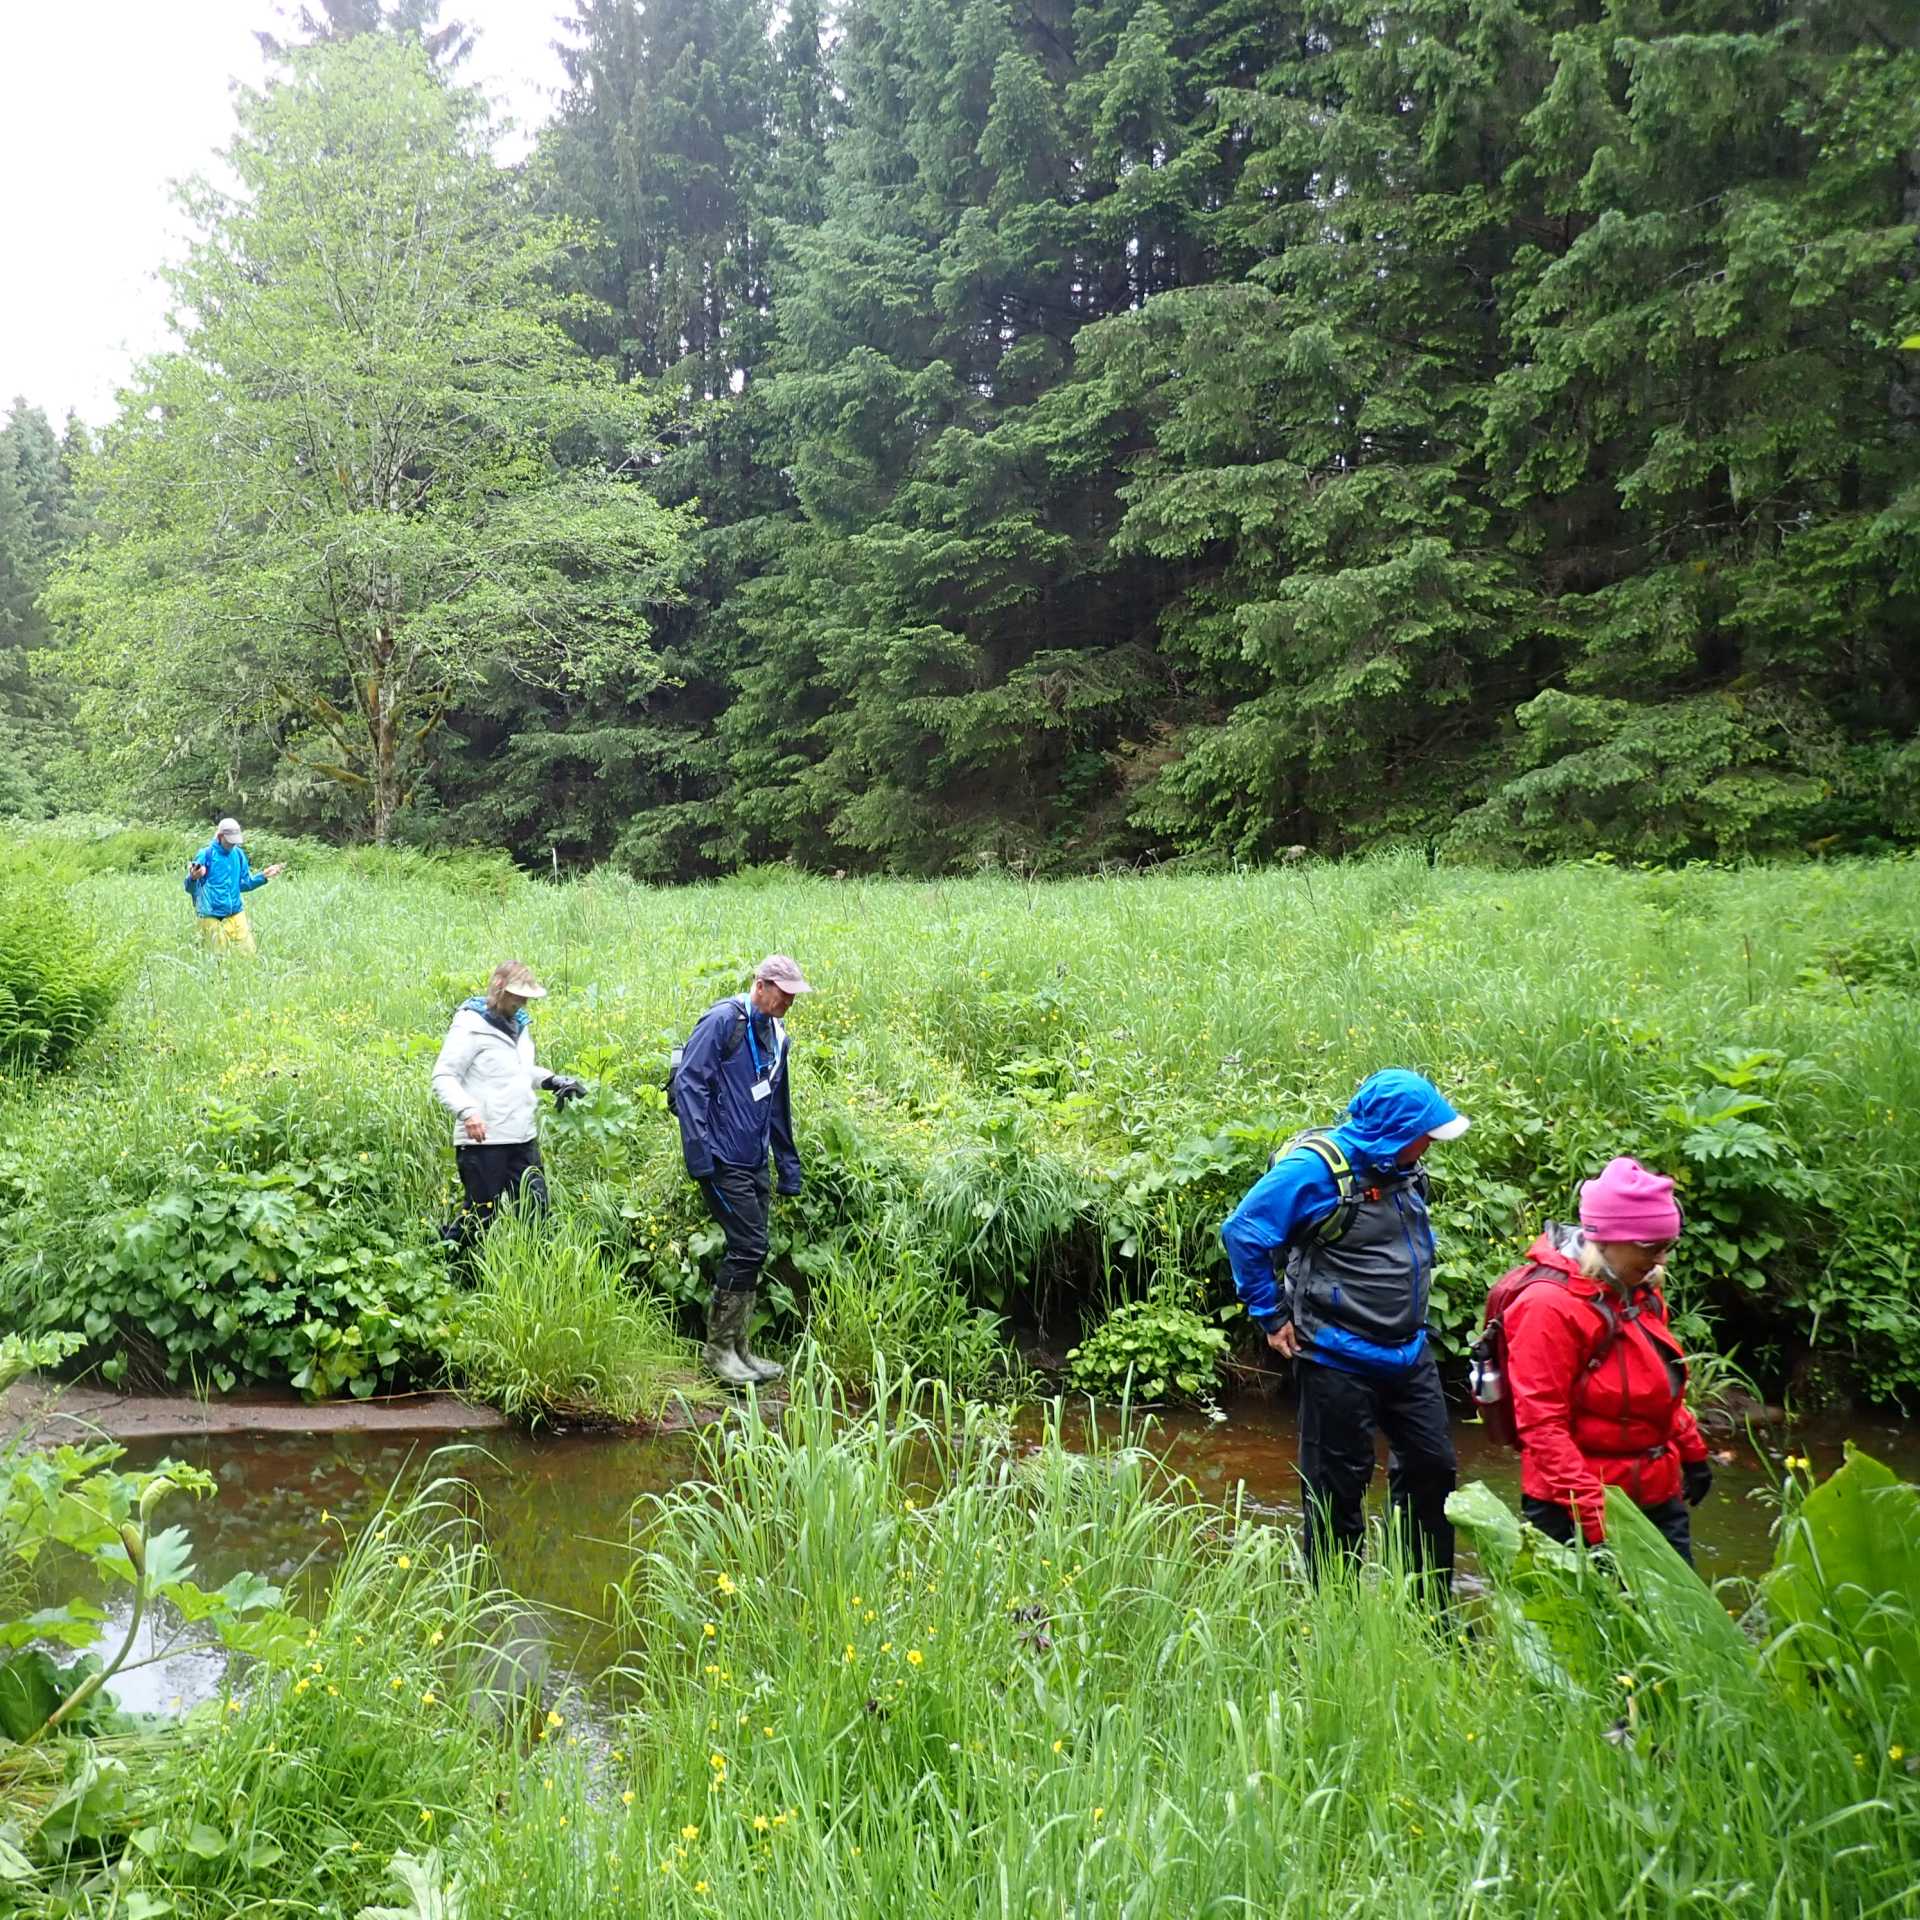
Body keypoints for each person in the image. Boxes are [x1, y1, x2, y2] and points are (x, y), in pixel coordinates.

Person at [1220, 1069, 1471, 1591]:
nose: (1431, 1145)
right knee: (1337, 1488)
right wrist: (1270, 1315)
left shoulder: (1403, 1166)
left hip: (1408, 1350)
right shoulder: (1313, 1172)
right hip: (1335, 1355)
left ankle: (1425, 1607)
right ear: (1398, 1131)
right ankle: (1337, 1614)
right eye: (1426, 1134)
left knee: (1433, 1470)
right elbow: (1244, 1231)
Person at [1500, 1156, 1713, 1562]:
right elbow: (1542, 1425)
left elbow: (1655, 1381)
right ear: (1607, 1238)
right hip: (1571, 1509)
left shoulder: (1639, 1288)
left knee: (1679, 1623)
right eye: (1651, 1247)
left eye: (1667, 1246)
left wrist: (1691, 1449)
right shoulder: (1548, 1306)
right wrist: (1599, 1520)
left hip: (1655, 1492)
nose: (1661, 1260)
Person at [671, 955, 810, 1387]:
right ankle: (718, 1351)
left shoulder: (777, 1035)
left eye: (793, 994)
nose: (789, 1000)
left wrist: (787, 1165)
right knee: (749, 1244)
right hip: (721, 1160)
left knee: (754, 1246)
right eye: (783, 992)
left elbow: (777, 1105)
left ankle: (739, 1349)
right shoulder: (723, 1022)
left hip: (755, 1160)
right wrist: (700, 1154)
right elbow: (688, 1084)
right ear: (761, 984)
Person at [430, 961, 583, 1247]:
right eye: (517, 994)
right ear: (499, 988)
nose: (523, 1001)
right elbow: (444, 1075)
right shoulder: (470, 1026)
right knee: (480, 1218)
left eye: (526, 996)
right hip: (484, 1140)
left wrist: (554, 1081)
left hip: (522, 1136)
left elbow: (522, 1071)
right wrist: (468, 1112)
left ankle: (538, 1275)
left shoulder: (520, 1026)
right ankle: (453, 1268)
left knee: (536, 1212)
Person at [186, 818, 285, 952]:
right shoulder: (206, 855)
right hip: (210, 914)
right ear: (220, 836)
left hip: (236, 912)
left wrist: (263, 876)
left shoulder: (238, 854)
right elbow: (189, 888)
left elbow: (244, 884)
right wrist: (193, 877)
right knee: (218, 958)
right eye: (230, 841)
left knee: (248, 954)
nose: (233, 845)